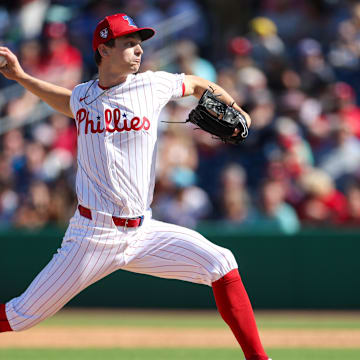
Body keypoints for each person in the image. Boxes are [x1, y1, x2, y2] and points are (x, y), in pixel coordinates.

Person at [0, 13, 271, 360]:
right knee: (21, 315)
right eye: (129, 44)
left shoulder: (152, 85)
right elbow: (66, 102)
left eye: (139, 44)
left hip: (143, 232)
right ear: (104, 49)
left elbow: (199, 84)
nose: (139, 51)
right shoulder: (83, 96)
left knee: (221, 262)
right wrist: (22, 77)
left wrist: (237, 109)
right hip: (92, 236)